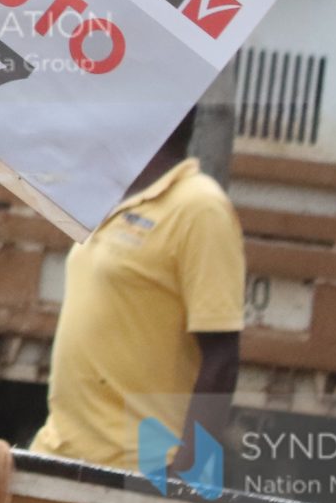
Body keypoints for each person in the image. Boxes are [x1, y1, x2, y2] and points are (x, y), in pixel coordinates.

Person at [29, 111, 241, 479]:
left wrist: (190, 473)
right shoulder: (113, 196)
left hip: (138, 470)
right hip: (58, 454)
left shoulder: (199, 207)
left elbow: (221, 357)